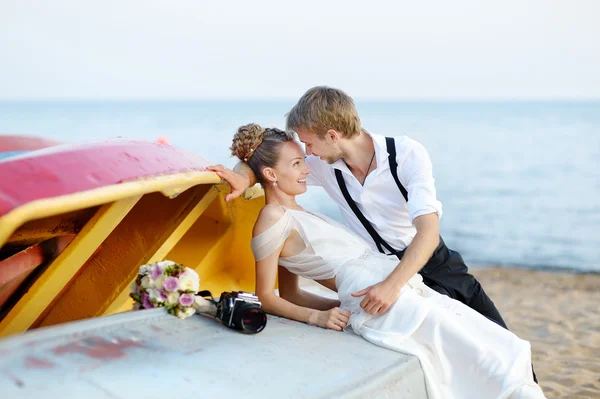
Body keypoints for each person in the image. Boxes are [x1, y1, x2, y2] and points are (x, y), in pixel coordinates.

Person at [225, 123, 545, 398]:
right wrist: (318, 317)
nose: (307, 168)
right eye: (296, 163)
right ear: (270, 173)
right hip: (381, 301)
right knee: (484, 360)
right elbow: (267, 296)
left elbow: (293, 291)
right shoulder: (272, 217)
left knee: (502, 347)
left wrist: (340, 306)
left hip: (391, 286)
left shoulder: (296, 213)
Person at [208, 86, 506, 327]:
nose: (307, 154)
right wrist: (243, 177)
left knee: (497, 334)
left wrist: (392, 285)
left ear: (333, 136)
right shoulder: (322, 164)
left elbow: (427, 233)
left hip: (432, 264)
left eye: (309, 143)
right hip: (377, 274)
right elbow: (266, 165)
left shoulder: (405, 154)